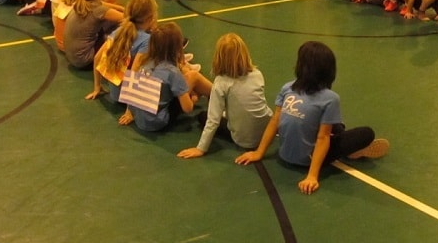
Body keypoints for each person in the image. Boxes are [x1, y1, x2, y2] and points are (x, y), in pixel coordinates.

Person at [235, 41, 389, 195]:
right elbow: (322, 138)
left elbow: (275, 120)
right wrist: (312, 176)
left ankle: (340, 136)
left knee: (334, 124)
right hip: (308, 159)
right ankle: (350, 150)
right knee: (365, 133)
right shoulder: (330, 98)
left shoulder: (287, 88)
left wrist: (259, 152)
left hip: (284, 154)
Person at [178, 33, 273, 159]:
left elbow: (213, 121)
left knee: (203, 117)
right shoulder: (257, 74)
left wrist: (200, 149)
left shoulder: (221, 83)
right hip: (266, 133)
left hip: (243, 140)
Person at [86, 0, 157, 126]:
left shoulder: (118, 32)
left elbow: (97, 58)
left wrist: (97, 87)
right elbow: (135, 74)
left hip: (116, 94)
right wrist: (130, 110)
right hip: (130, 97)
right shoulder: (146, 40)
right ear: (150, 18)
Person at [131, 22, 213, 132]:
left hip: (139, 119)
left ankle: (210, 92)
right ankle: (218, 94)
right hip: (158, 121)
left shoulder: (145, 61)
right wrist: (194, 98)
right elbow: (187, 108)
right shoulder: (172, 71)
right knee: (193, 76)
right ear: (177, 48)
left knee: (185, 76)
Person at [63, 0, 125, 69]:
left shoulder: (80, 4)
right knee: (122, 26)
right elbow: (128, 18)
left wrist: (121, 8)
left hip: (73, 57)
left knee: (106, 24)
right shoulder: (99, 11)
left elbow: (102, 4)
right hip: (85, 60)